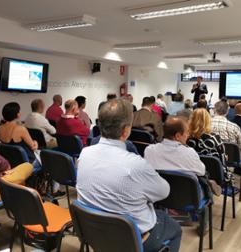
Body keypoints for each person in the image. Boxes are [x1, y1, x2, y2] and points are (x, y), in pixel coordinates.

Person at [77, 99, 182, 252]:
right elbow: (164, 191)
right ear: (126, 131)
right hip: (131, 239)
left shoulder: (84, 153)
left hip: (94, 232)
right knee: (175, 229)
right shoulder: (136, 164)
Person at [188, 108, 231, 181]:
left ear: (191, 120)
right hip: (214, 177)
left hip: (191, 177)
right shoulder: (214, 138)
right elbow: (222, 160)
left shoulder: (186, 138)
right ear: (208, 121)